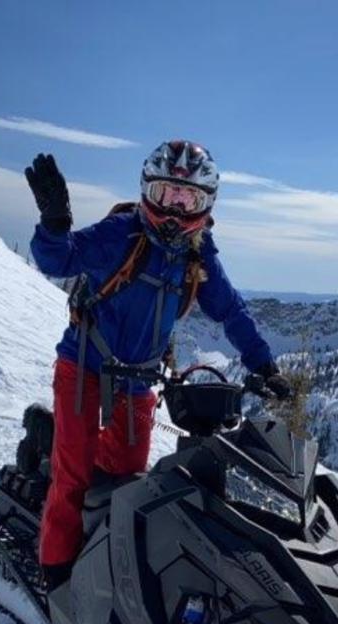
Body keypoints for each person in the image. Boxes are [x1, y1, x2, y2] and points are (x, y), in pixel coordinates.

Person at [25, 139, 292, 593]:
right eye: (167, 195)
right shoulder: (121, 233)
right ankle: (56, 574)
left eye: (188, 199)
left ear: (206, 204)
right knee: (73, 472)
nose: (174, 210)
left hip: (138, 379)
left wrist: (263, 363)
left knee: (128, 473)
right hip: (84, 368)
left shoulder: (196, 253)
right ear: (148, 191)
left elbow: (229, 310)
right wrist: (53, 222)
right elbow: (59, 257)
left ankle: (103, 541)